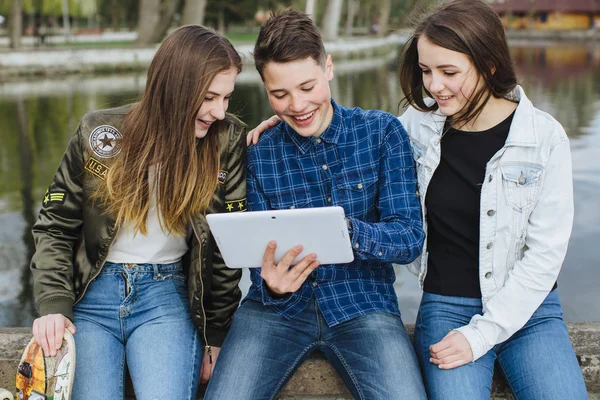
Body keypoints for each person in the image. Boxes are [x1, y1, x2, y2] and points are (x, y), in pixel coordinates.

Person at [204, 9, 427, 400]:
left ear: (328, 68)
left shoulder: (382, 132)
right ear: (265, 88)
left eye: (307, 86)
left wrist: (345, 231)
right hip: (275, 312)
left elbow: (409, 238)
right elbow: (254, 252)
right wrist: (270, 285)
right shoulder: (257, 151)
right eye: (280, 94)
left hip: (363, 304)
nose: (297, 105)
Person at [29, 25, 247, 400]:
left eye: (227, 97)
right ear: (174, 88)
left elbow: (228, 247)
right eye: (209, 97)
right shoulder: (99, 134)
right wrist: (53, 304)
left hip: (166, 297)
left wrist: (216, 334)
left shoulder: (226, 140)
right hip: (92, 299)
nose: (219, 111)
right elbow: (55, 226)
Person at [397, 0, 587, 398]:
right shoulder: (414, 127)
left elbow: (545, 256)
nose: (434, 85)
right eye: (426, 70)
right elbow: (351, 143)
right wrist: (294, 119)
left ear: (489, 65)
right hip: (446, 307)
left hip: (531, 312)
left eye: (449, 72)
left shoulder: (544, 137)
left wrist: (482, 334)